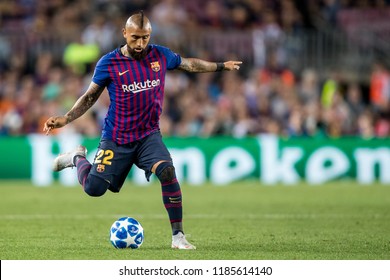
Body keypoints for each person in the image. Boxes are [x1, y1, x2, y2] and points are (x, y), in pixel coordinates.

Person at [43, 11, 242, 250]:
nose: (140, 43)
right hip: (116, 138)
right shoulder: (109, 63)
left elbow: (190, 64)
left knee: (167, 171)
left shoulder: (160, 54)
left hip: (148, 136)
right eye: (135, 37)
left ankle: (178, 237)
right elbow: (89, 97)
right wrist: (65, 118)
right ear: (124, 33)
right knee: (94, 189)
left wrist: (221, 66)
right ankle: (76, 158)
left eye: (145, 38)